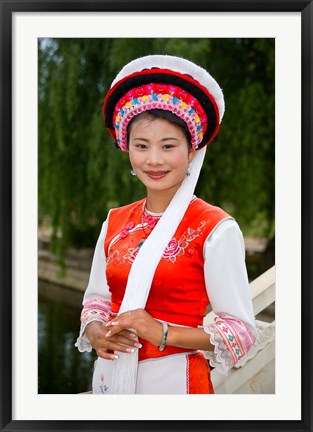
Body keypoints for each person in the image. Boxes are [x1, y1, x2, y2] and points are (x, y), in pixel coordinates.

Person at [75, 54, 257, 394]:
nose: (153, 159)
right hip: (110, 379)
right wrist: (97, 331)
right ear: (127, 149)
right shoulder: (115, 221)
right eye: (141, 146)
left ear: (191, 151)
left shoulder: (215, 227)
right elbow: (97, 300)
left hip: (176, 384)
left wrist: (159, 331)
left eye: (168, 146)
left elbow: (240, 333)